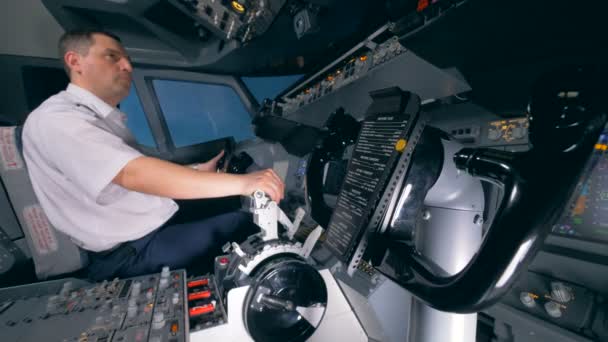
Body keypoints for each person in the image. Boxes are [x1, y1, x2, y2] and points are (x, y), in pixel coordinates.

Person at [22, 29, 285, 280]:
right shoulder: (56, 119)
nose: (127, 66)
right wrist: (246, 182)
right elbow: (131, 173)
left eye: (127, 59)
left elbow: (133, 176)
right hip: (128, 254)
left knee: (230, 204)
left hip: (143, 228)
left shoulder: (97, 118)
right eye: (112, 56)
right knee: (243, 224)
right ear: (75, 61)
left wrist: (196, 173)